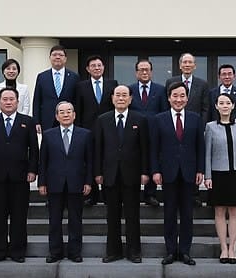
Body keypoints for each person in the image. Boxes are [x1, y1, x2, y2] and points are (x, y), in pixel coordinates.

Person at [0, 87, 39, 264]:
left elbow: (34, 150)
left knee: (19, 215)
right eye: (4, 99)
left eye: (11, 99)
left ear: (17, 102)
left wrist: (32, 170)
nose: (8, 102)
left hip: (21, 176)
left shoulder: (27, 121)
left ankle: (17, 251)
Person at [151, 81, 205, 266]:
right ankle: (170, 251)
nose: (178, 99)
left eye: (182, 96)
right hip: (168, 173)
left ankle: (185, 252)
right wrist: (155, 170)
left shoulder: (195, 118)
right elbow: (154, 148)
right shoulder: (159, 119)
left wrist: (200, 170)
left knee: (187, 214)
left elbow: (200, 146)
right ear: (168, 98)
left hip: (190, 172)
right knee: (170, 213)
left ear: (187, 98)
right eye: (175, 96)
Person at [94, 85, 149, 264]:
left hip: (132, 175)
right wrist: (98, 173)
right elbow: (98, 148)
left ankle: (134, 251)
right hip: (109, 175)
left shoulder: (139, 119)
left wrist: (144, 172)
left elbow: (144, 149)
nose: (121, 98)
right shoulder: (103, 119)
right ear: (112, 98)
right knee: (112, 215)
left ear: (131, 99)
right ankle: (113, 251)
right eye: (117, 95)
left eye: (124, 95)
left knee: (133, 215)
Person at [38, 101, 93, 264]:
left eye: (69, 111)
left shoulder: (85, 134)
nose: (66, 114)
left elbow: (89, 161)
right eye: (62, 112)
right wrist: (42, 182)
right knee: (54, 220)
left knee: (75, 220)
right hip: (54, 183)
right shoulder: (48, 135)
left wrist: (89, 182)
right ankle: (55, 251)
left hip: (77, 183)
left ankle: (74, 252)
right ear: (56, 116)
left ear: (74, 115)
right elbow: (43, 161)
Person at [204, 93, 236, 264]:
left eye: (228, 103)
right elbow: (207, 153)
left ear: (233, 106)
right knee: (219, 211)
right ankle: (223, 247)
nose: (225, 106)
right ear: (216, 106)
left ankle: (233, 248)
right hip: (218, 173)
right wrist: (207, 175)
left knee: (235, 211)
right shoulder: (210, 127)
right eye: (221, 103)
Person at [165, 53, 209, 207]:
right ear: (180, 65)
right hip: (175, 126)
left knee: (192, 158)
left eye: (190, 62)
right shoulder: (171, 81)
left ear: (195, 65)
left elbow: (205, 108)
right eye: (185, 62)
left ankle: (195, 194)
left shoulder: (202, 84)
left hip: (193, 127)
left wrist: (200, 127)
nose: (187, 65)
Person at [75, 55, 118, 207]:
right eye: (93, 66)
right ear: (88, 69)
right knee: (90, 161)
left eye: (99, 65)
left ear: (104, 67)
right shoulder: (81, 86)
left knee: (107, 160)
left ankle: (107, 194)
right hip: (87, 130)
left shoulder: (112, 84)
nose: (97, 68)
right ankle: (92, 195)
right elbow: (78, 110)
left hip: (108, 129)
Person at [128, 59, 169, 207]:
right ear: (136, 72)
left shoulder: (160, 90)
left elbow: (164, 111)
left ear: (151, 72)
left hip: (154, 131)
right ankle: (133, 193)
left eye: (147, 70)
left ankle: (149, 194)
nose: (144, 72)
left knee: (152, 159)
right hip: (133, 132)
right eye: (141, 70)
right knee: (134, 161)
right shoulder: (130, 90)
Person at [32, 45, 80, 133]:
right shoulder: (42, 77)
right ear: (50, 58)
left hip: (68, 119)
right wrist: (36, 121)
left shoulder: (74, 77)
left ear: (65, 59)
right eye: (54, 55)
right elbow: (37, 100)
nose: (57, 57)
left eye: (60, 55)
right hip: (47, 120)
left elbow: (77, 101)